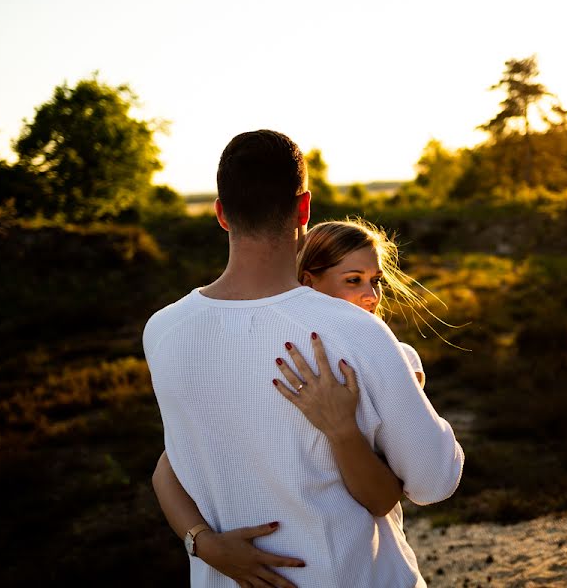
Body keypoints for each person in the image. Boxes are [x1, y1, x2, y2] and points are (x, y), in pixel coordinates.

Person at [144, 130, 464, 588]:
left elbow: (172, 463)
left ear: (221, 214)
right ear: (304, 209)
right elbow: (434, 481)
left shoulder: (162, 331)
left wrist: (200, 542)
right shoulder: (355, 332)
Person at [152, 218, 434, 564]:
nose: (372, 296)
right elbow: (168, 465)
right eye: (353, 280)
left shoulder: (395, 356)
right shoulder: (272, 354)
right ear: (308, 282)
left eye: (376, 281)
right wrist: (203, 543)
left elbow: (389, 493)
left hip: (351, 560)